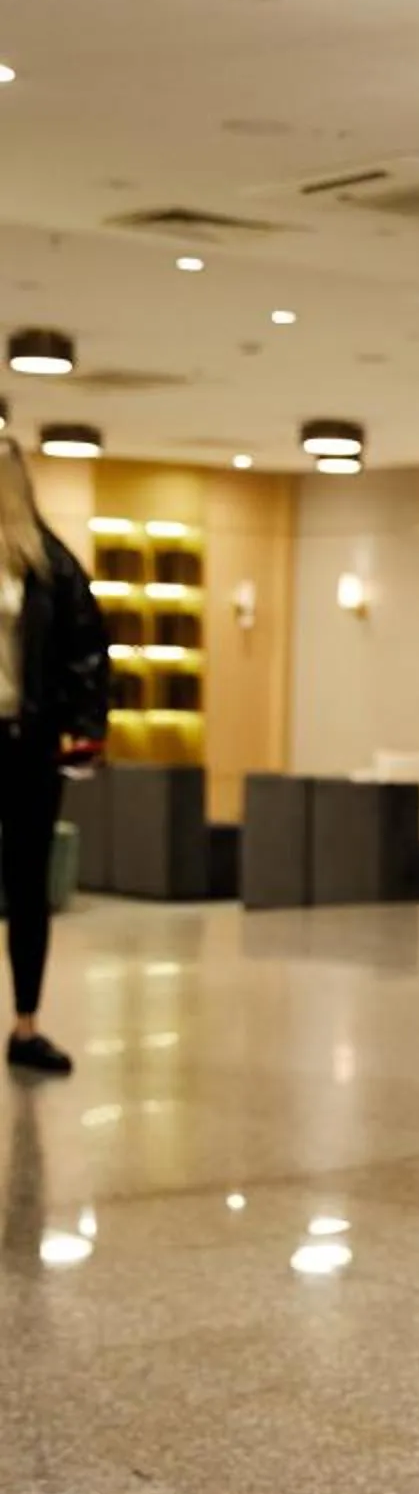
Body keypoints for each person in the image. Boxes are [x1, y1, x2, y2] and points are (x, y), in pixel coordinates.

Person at [0, 441, 110, 1075]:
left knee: (26, 883)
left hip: (29, 740)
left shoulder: (50, 566)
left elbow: (88, 649)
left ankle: (25, 1024)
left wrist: (86, 727)